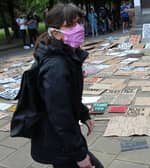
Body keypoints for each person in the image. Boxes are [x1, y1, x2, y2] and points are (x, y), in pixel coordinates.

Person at [31, 3, 104, 168]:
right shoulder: (57, 66)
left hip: (62, 141)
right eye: (70, 25)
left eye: (78, 22)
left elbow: (68, 96)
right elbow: (60, 114)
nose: (78, 28)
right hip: (59, 142)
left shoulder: (68, 54)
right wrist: (80, 155)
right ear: (56, 33)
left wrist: (83, 114)